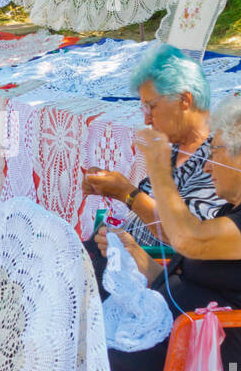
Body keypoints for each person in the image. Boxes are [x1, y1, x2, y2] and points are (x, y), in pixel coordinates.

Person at [95, 94, 241, 371]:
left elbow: (188, 239)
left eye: (214, 153)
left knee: (86, 361)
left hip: (208, 359)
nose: (208, 169)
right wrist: (138, 258)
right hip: (178, 337)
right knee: (83, 292)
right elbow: (190, 273)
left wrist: (159, 170)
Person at [82, 43, 220, 247]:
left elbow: (188, 235)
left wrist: (125, 193)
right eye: (143, 108)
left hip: (163, 273)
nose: (147, 119)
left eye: (152, 106)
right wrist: (107, 186)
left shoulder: (218, 158)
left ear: (184, 100)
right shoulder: (174, 149)